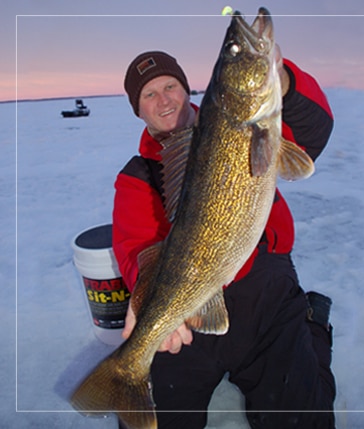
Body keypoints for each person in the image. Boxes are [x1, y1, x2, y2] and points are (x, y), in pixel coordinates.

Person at [112, 50, 336, 429]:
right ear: (138, 110)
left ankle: (310, 327)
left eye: (170, 86)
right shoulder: (135, 176)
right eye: (149, 95)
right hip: (191, 309)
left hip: (265, 289)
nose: (164, 100)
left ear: (187, 89)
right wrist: (145, 295)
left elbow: (313, 133)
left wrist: (285, 82)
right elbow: (135, 247)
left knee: (304, 416)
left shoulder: (247, 128)